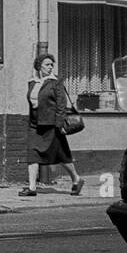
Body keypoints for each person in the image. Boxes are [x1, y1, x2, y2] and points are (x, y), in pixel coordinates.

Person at [19, 53, 84, 196]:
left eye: (51, 65)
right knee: (32, 153)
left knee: (61, 155)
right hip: (35, 124)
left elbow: (62, 104)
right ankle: (32, 188)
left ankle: (76, 179)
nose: (50, 67)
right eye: (47, 64)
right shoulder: (32, 82)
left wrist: (59, 124)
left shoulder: (56, 82)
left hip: (51, 124)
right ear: (39, 66)